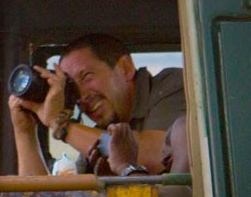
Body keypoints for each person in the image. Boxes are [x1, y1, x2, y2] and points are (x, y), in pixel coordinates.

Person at [10, 33, 185, 176]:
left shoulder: (173, 86)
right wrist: (25, 131)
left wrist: (61, 125)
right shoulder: (101, 132)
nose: (82, 96)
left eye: (86, 77)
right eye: (72, 88)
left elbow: (155, 156)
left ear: (125, 68)